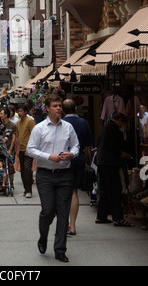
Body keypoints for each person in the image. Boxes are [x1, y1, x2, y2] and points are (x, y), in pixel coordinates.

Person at [27, 94, 80, 263]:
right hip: (45, 175)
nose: (59, 108)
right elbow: (30, 150)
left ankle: (60, 250)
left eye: (60, 106)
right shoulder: (39, 128)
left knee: (63, 213)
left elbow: (76, 146)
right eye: (55, 106)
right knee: (47, 211)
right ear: (47, 108)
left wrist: (72, 154)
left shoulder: (68, 127)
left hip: (64, 175)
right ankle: (43, 237)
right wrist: (49, 157)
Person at [95, 112, 134, 227]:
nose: (122, 126)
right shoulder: (114, 130)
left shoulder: (105, 128)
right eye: (122, 123)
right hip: (110, 163)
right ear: (118, 120)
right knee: (115, 190)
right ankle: (118, 218)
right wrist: (127, 155)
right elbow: (117, 147)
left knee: (105, 190)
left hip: (101, 162)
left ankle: (101, 216)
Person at [62, 99, 93, 235]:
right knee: (74, 191)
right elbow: (88, 147)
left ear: (63, 110)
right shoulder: (83, 123)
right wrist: (88, 161)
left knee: (62, 192)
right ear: (75, 109)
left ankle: (63, 224)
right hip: (78, 159)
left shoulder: (61, 123)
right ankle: (72, 225)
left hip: (62, 159)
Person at [16, 104, 35, 198]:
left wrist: (31, 148)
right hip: (21, 149)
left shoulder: (30, 121)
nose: (19, 113)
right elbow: (18, 136)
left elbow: (34, 135)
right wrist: (17, 149)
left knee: (27, 169)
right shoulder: (18, 123)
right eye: (18, 111)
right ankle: (25, 189)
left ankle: (29, 191)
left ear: (25, 111)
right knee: (22, 170)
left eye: (21, 111)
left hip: (29, 149)